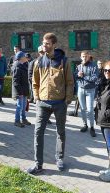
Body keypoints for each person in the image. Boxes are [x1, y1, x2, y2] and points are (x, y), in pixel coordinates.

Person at [27, 33, 74, 174]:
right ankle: (38, 164)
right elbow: (34, 82)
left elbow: (70, 82)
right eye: (43, 43)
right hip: (42, 103)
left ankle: (59, 159)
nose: (44, 45)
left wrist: (67, 100)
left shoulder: (64, 61)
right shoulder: (38, 62)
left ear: (54, 44)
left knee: (60, 132)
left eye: (47, 43)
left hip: (59, 103)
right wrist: (36, 97)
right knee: (38, 132)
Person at [75, 51, 98, 137]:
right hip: (81, 90)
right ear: (81, 57)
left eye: (86, 56)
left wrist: (83, 76)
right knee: (83, 109)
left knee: (90, 110)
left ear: (89, 57)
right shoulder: (79, 66)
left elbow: (95, 78)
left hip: (90, 90)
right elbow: (75, 76)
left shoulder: (94, 66)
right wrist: (77, 74)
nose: (84, 58)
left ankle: (92, 127)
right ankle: (85, 125)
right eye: (83, 56)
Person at [12, 51, 31, 127]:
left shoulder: (23, 65)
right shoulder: (17, 66)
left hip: (24, 90)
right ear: (21, 58)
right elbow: (15, 81)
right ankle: (17, 121)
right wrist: (20, 92)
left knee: (24, 106)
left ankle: (23, 119)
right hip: (20, 91)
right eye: (24, 57)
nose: (26, 58)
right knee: (20, 106)